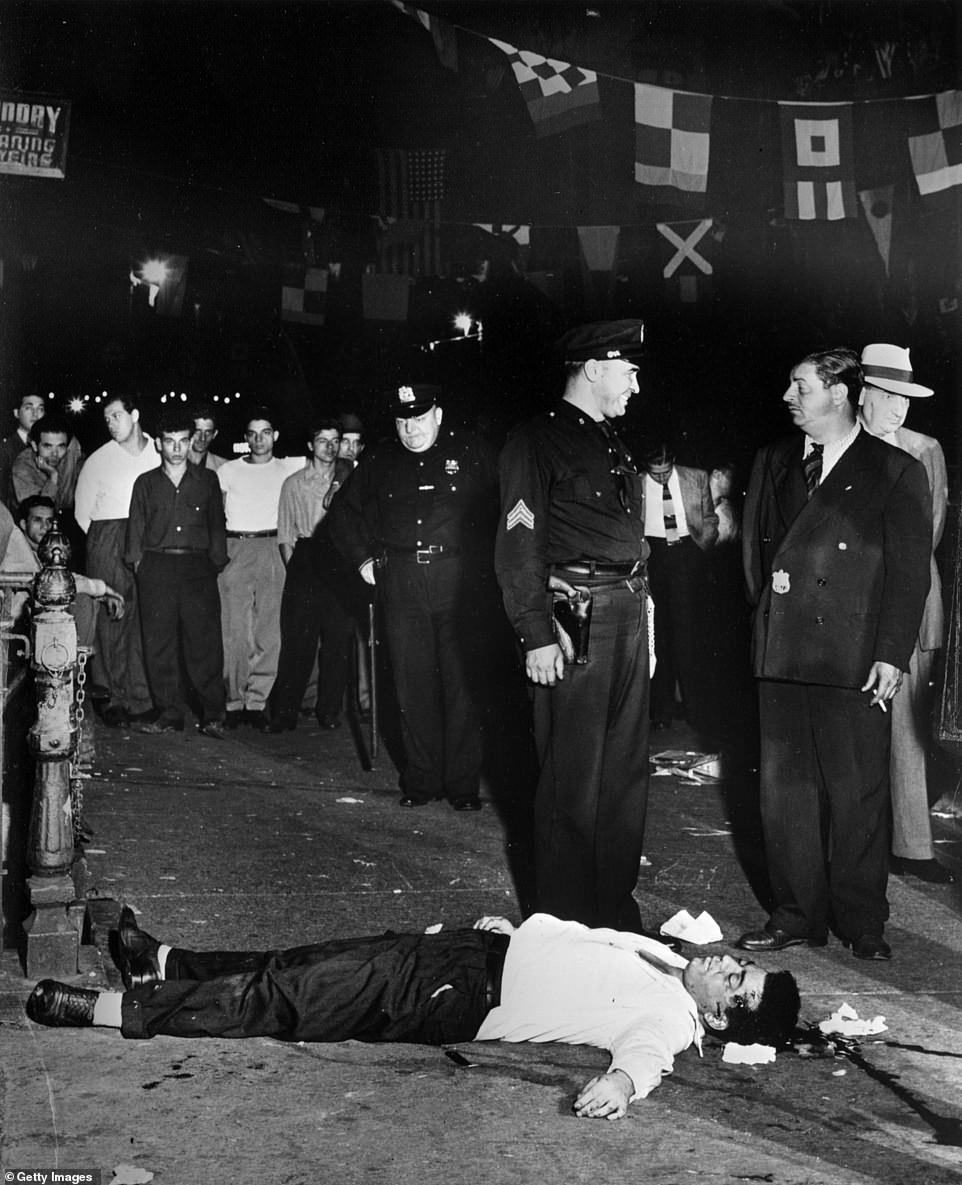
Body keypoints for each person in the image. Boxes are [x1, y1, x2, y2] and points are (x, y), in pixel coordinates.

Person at [26, 909, 800, 1118]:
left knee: (290, 999)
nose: (729, 963)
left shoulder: (671, 1018)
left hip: (457, 996)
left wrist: (621, 1088)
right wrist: (509, 928)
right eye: (742, 964)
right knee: (303, 964)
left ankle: (107, 1007)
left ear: (722, 1021)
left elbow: (646, 1060)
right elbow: (579, 946)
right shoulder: (671, 956)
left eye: (737, 985)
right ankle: (162, 964)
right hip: (470, 953)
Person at [738, 347, 932, 962]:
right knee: (784, 791)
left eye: (801, 387)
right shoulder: (772, 461)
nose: (788, 397)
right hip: (783, 648)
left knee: (858, 793)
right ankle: (796, 914)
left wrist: (892, 654)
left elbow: (908, 576)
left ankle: (862, 918)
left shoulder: (895, 470)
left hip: (853, 655)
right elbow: (753, 558)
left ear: (840, 393)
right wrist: (767, 625)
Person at [495, 320, 660, 937]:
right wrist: (535, 632)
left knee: (622, 773)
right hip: (575, 618)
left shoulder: (611, 441)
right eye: (630, 372)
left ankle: (612, 911)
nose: (636, 387)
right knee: (570, 776)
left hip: (625, 607)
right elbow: (518, 547)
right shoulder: (535, 442)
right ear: (595, 368)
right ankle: (563, 925)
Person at [328, 383, 499, 811]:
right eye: (403, 421)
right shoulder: (381, 459)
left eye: (419, 419)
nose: (411, 429)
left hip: (460, 579)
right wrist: (364, 561)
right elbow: (342, 515)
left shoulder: (474, 452)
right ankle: (421, 780)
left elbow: (504, 508)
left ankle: (462, 784)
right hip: (401, 578)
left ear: (438, 415)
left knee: (460, 684)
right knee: (411, 680)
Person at [856, 343, 953, 885]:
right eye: (889, 396)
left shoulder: (925, 449)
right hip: (850, 607)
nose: (898, 409)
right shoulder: (838, 447)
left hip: (911, 602)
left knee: (908, 731)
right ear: (862, 394)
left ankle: (913, 846)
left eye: (906, 399)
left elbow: (929, 532)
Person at [124, 406, 229, 739]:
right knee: (159, 644)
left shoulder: (208, 480)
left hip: (197, 567)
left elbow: (217, 527)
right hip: (157, 566)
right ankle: (169, 712)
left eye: (183, 441)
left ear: (191, 442)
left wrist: (214, 563)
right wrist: (142, 567)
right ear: (158, 444)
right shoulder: (145, 484)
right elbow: (135, 533)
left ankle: (213, 714)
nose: (177, 448)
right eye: (170, 441)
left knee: (204, 643)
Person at [74, 395, 160, 727]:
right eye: (107, 418)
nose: (111, 423)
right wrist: (108, 541)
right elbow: (83, 515)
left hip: (149, 537)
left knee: (143, 618)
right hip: (108, 535)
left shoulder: (157, 454)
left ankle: (140, 697)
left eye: (117, 415)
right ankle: (110, 696)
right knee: (112, 613)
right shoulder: (98, 460)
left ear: (135, 414)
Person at [217, 407, 304, 729]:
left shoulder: (288, 469)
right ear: (245, 438)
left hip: (273, 545)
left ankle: (258, 701)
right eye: (252, 434)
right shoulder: (228, 470)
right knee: (235, 631)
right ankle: (233, 700)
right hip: (236, 546)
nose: (259, 439)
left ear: (275, 436)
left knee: (270, 629)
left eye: (265, 432)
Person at [269, 418, 354, 731]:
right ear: (310, 445)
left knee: (336, 641)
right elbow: (285, 533)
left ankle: (329, 711)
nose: (329, 447)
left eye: (335, 441)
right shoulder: (294, 483)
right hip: (306, 558)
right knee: (298, 641)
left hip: (340, 559)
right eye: (322, 440)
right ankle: (285, 712)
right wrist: (296, 567)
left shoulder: (347, 477)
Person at [642, 444, 719, 740]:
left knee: (689, 638)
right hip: (653, 556)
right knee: (656, 637)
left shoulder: (695, 477)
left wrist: (702, 548)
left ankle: (696, 712)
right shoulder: (635, 482)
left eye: (665, 472)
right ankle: (660, 712)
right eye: (655, 474)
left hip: (688, 554)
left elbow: (710, 518)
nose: (660, 479)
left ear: (673, 462)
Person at [11, 494, 124, 631]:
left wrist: (102, 594)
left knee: (86, 601)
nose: (45, 526)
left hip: (35, 615)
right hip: (16, 623)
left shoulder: (45, 551)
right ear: (23, 524)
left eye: (49, 521)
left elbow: (63, 576)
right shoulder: (17, 547)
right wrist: (101, 588)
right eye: (37, 520)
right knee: (82, 602)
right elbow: (55, 584)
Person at [0, 393, 83, 512]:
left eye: (40, 409)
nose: (35, 414)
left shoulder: (70, 446)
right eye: (29, 408)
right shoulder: (11, 453)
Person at [186, 402, 227, 472]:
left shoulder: (224, 467)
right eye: (197, 431)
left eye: (208, 432)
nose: (202, 438)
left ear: (215, 434)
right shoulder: (173, 463)